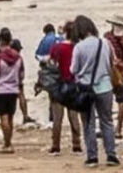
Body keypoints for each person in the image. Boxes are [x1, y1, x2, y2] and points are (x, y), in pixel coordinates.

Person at [71, 15, 120, 168]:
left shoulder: (79, 47)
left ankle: (92, 157)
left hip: (86, 89)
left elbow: (73, 69)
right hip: (105, 87)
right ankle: (111, 155)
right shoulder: (105, 43)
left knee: (88, 124)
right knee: (107, 121)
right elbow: (112, 62)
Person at [48, 21, 82, 155]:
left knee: (57, 118)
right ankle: (76, 145)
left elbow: (51, 64)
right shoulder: (78, 48)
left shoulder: (56, 47)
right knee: (74, 116)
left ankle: (55, 145)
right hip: (73, 84)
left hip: (58, 84)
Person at [0, 29, 25, 153]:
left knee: (3, 117)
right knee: (10, 117)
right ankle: (9, 142)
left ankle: (7, 143)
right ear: (10, 41)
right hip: (13, 90)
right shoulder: (18, 57)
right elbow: (22, 75)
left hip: (0, 89)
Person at [103, 14, 123, 140]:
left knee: (107, 100)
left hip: (108, 72)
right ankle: (118, 129)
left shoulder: (107, 37)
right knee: (121, 101)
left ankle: (107, 127)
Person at [10, 39, 35, 124]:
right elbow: (22, 73)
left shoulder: (5, 55)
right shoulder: (19, 57)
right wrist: (20, 80)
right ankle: (25, 116)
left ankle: (9, 118)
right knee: (21, 97)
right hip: (17, 82)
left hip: (6, 83)